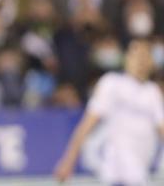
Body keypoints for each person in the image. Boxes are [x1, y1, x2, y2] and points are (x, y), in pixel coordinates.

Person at [54, 39, 164, 184]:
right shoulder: (112, 84)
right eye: (135, 54)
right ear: (126, 58)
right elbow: (87, 124)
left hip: (140, 171)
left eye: (144, 56)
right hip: (117, 173)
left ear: (151, 62)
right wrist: (68, 160)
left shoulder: (152, 92)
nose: (140, 61)